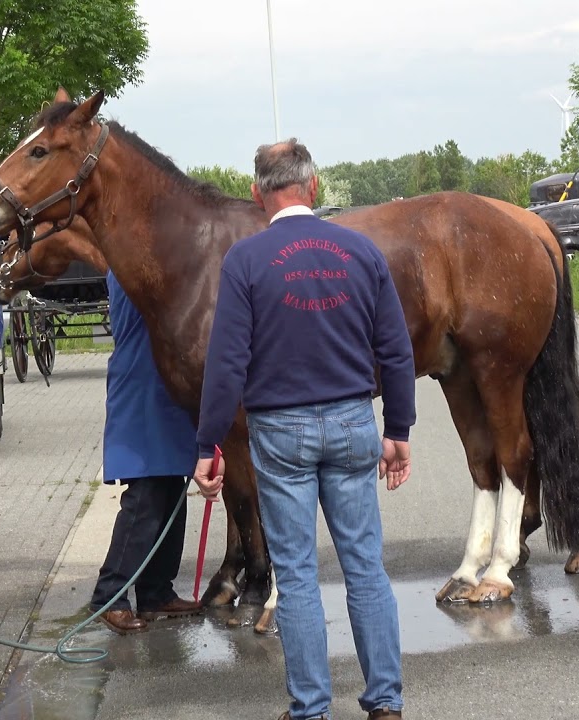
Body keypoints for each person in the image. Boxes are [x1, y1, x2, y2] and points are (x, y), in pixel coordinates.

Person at [193, 139, 416, 720]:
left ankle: (311, 707)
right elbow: (394, 349)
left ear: (257, 193)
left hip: (281, 431)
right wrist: (399, 429)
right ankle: (385, 703)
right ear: (313, 187)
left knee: (295, 574)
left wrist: (208, 445)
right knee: (365, 566)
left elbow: (226, 365)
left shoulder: (244, 261)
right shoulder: (361, 252)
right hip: (350, 421)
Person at [88, 270, 203, 635]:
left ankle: (155, 591)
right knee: (145, 500)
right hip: (143, 385)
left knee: (171, 493)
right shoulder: (130, 269)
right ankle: (110, 595)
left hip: (165, 391)